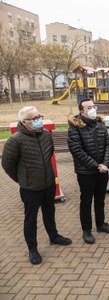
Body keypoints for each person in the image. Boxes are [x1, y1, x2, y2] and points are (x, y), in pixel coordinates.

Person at [2, 106, 71, 265]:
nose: (39, 120)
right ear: (24, 122)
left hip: (48, 184)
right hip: (30, 188)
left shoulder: (46, 134)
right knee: (30, 219)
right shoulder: (16, 140)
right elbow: (7, 164)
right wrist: (22, 179)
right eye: (34, 118)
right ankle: (32, 249)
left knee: (50, 212)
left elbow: (50, 153)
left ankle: (54, 237)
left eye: (39, 116)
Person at [68, 98, 109, 244]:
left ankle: (101, 225)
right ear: (81, 111)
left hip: (102, 169)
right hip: (86, 172)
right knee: (86, 201)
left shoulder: (100, 123)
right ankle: (87, 230)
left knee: (100, 199)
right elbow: (77, 151)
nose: (93, 109)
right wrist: (96, 165)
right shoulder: (75, 127)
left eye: (93, 106)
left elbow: (108, 144)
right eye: (89, 107)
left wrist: (105, 163)